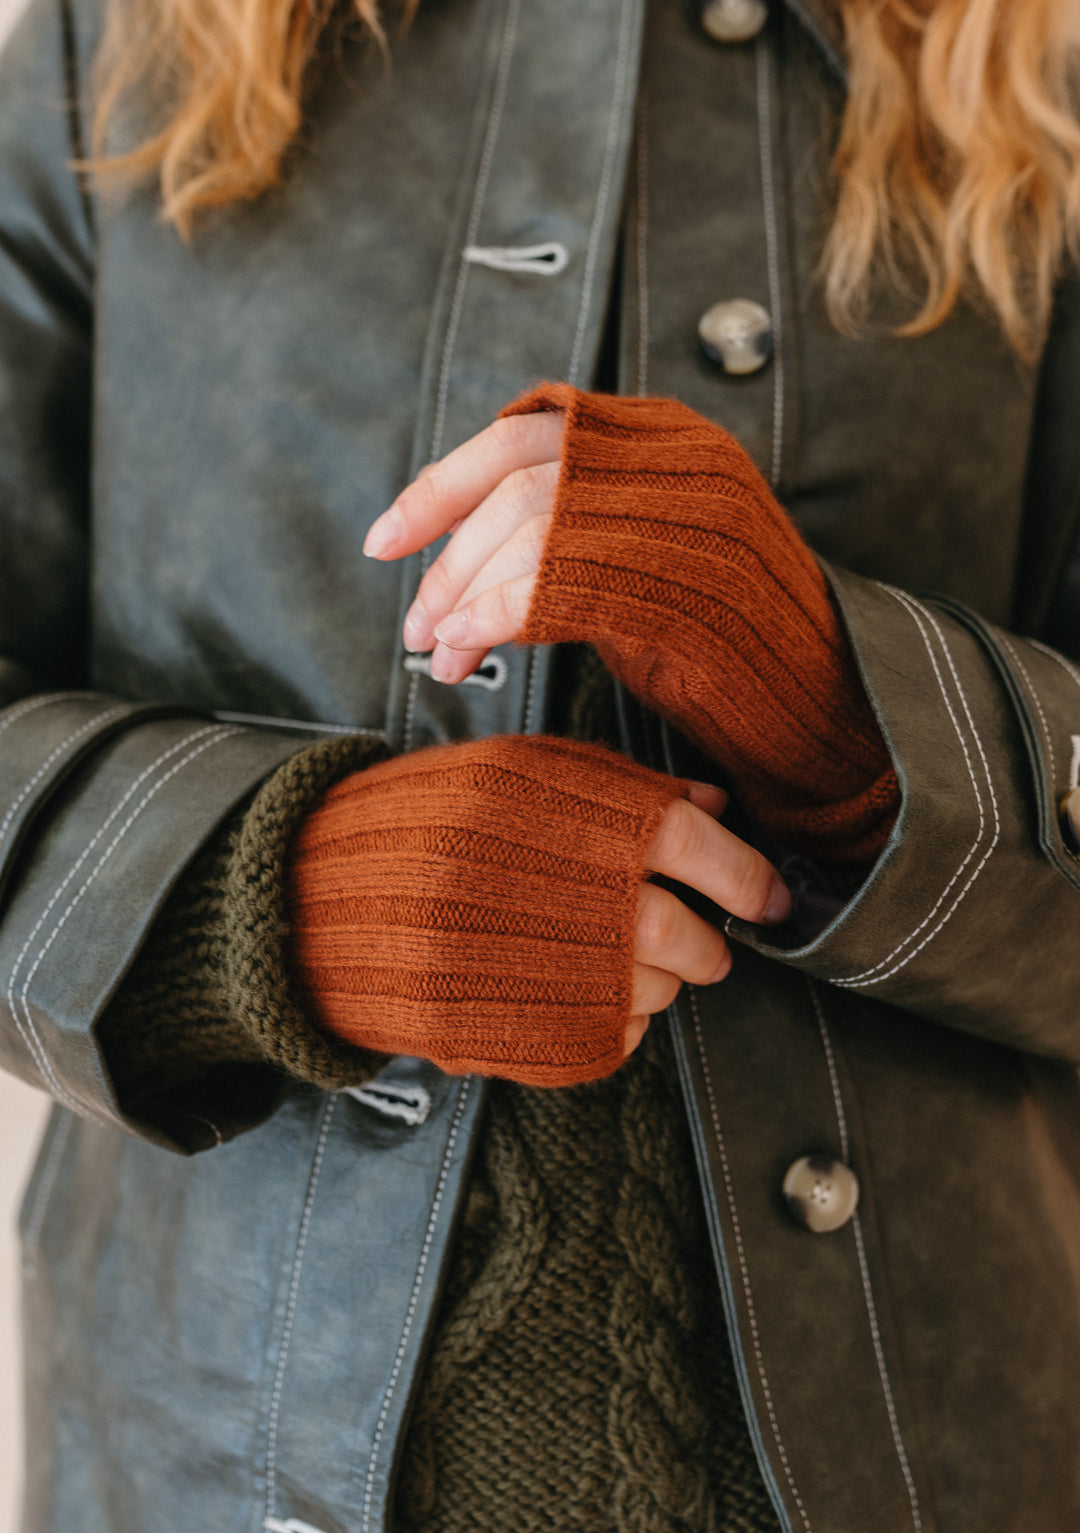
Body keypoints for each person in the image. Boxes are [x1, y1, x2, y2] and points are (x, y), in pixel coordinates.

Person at [1, 0, 1079, 1527]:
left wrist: (850, 708)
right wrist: (275, 897)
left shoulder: (1041, 79)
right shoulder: (115, 41)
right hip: (209, 1457)